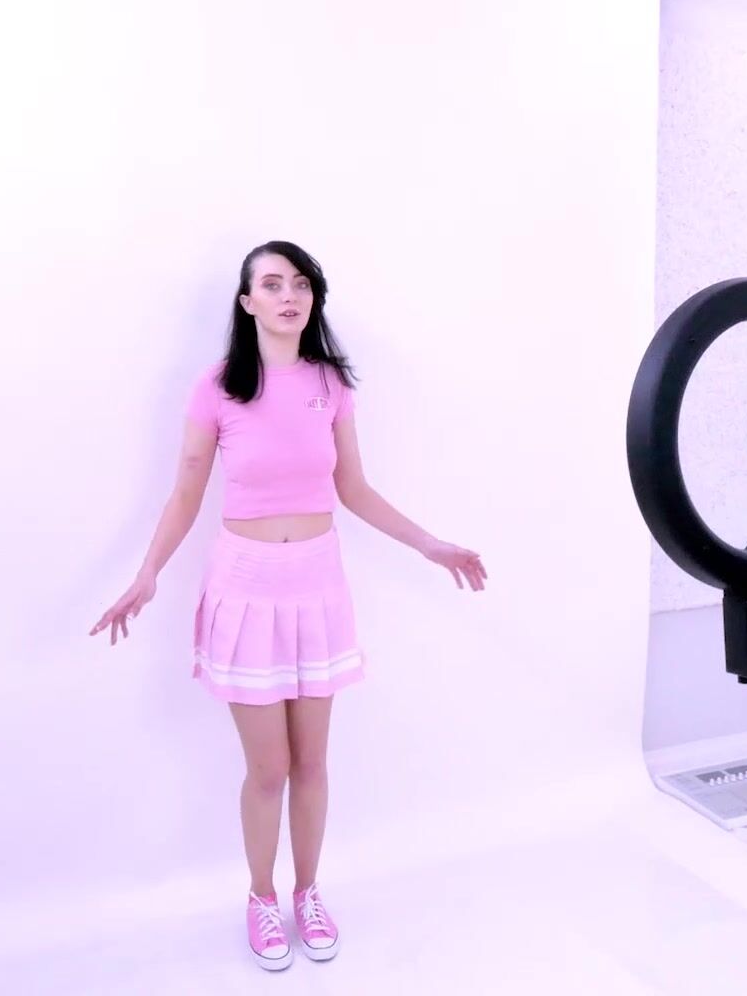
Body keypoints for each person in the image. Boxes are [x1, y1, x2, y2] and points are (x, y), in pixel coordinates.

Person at [89, 240, 487, 971]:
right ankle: (261, 897)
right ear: (247, 302)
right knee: (267, 769)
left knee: (313, 764)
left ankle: (308, 892)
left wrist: (431, 544)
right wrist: (148, 574)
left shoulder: (329, 383)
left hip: (317, 586)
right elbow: (186, 493)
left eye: (300, 284)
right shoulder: (218, 388)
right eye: (271, 284)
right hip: (245, 588)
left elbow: (354, 488)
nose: (288, 296)